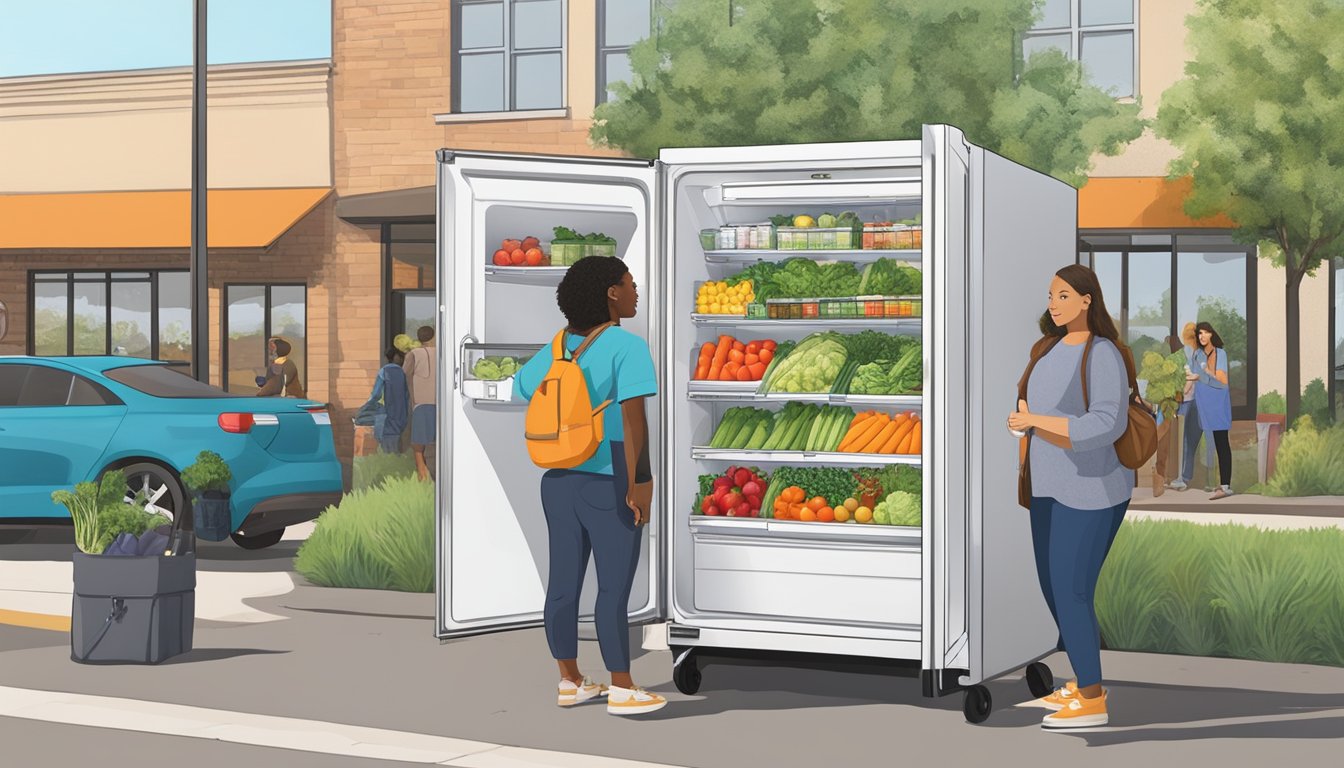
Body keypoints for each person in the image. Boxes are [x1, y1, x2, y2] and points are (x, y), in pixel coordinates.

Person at [512, 256, 664, 716]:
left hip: (557, 479)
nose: (636, 292)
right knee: (612, 588)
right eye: (629, 284)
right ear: (611, 293)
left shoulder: (558, 345)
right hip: (608, 476)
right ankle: (622, 686)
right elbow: (634, 419)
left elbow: (522, 387)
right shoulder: (626, 346)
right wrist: (640, 482)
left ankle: (570, 680)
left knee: (562, 583)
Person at [1009, 264, 1133, 730]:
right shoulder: (1046, 348)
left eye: (1063, 295)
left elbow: (1107, 424)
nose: (1053, 303)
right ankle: (1082, 682)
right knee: (1052, 588)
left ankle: (1093, 699)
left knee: (1073, 590)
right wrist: (1025, 422)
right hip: (1046, 486)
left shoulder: (1104, 354)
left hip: (1093, 490)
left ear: (1087, 300)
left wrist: (1037, 423)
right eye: (1050, 295)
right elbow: (1035, 410)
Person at [1191, 321, 1234, 499]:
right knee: (1206, 444)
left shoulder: (1220, 353)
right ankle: (1213, 483)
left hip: (1217, 402)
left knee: (1221, 442)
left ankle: (1225, 486)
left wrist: (1208, 372)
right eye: (1199, 334)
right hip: (1203, 403)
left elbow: (1223, 380)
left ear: (1211, 334)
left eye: (1204, 333)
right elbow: (1193, 377)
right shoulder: (1197, 355)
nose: (1201, 336)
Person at [1168, 323, 1203, 491]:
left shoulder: (1186, 353)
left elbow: (1188, 380)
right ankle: (1186, 476)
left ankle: (1180, 477)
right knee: (1192, 440)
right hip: (1199, 403)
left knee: (1182, 440)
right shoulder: (1201, 353)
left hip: (1186, 401)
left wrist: (1179, 395)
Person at [402, 326, 437, 481]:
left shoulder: (413, 354)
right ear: (433, 336)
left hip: (420, 402)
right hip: (441, 403)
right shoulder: (443, 353)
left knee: (418, 442)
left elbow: (404, 374)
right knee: (435, 440)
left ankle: (422, 473)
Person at [363, 348, 409, 454]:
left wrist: (367, 408)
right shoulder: (403, 371)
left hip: (385, 416)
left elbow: (376, 395)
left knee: (386, 450)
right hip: (401, 417)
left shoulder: (385, 371)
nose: (402, 358)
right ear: (394, 357)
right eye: (400, 356)